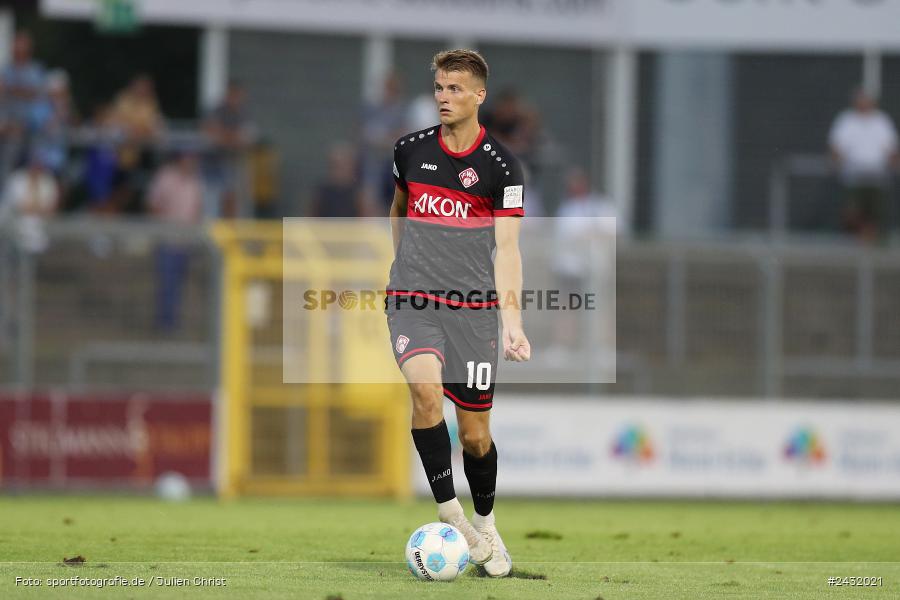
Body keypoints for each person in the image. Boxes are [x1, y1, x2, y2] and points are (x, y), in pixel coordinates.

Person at [386, 49, 529, 578]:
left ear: (478, 96)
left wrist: (512, 321)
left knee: (474, 435)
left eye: (454, 89)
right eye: (439, 88)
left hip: (473, 311)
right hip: (414, 299)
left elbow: (509, 249)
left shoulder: (501, 168)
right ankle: (453, 517)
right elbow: (399, 209)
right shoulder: (408, 150)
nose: (444, 97)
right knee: (424, 392)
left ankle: (486, 522)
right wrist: (401, 267)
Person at [828, 89, 899, 241]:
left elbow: (891, 149)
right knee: (852, 213)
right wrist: (836, 161)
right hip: (853, 178)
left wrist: (894, 164)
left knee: (875, 215)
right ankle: (859, 242)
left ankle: (871, 245)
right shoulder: (846, 121)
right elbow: (836, 148)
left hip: (877, 178)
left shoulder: (881, 121)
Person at [146, 150, 204, 331]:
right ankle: (165, 322)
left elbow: (196, 209)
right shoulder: (165, 177)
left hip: (186, 241)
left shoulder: (195, 182)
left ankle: (173, 321)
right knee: (166, 282)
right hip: (167, 239)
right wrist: (163, 227)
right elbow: (153, 204)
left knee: (179, 282)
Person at [203, 80, 258, 217]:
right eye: (233, 95)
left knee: (236, 198)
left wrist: (227, 136)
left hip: (237, 163)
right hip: (214, 165)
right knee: (216, 201)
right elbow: (213, 135)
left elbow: (248, 138)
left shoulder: (243, 113)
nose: (236, 99)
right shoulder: (217, 111)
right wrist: (233, 138)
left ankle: (232, 228)